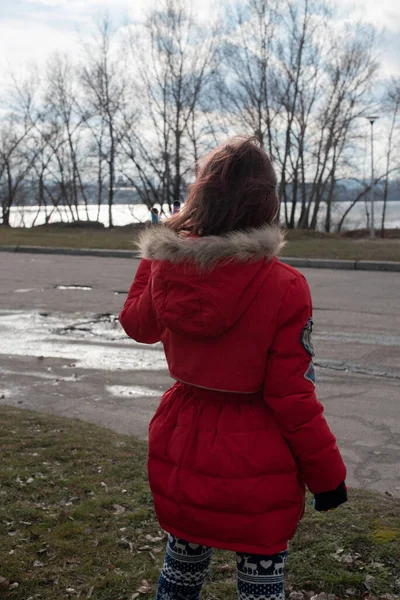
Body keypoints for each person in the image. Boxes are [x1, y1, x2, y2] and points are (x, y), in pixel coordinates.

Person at [119, 136, 347, 600]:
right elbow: (293, 396)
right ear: (266, 201)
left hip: (184, 442)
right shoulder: (284, 285)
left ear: (199, 198)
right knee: (260, 583)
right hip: (257, 457)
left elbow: (135, 323)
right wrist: (328, 477)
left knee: (180, 573)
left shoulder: (169, 271)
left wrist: (157, 256)